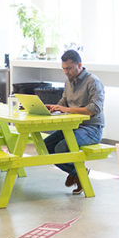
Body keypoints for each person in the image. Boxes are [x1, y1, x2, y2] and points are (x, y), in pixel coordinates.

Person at [44, 49, 105, 195]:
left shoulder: (93, 82)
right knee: (45, 146)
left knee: (62, 148)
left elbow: (94, 109)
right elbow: (64, 103)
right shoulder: (68, 82)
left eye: (69, 68)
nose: (66, 72)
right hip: (72, 126)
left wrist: (66, 109)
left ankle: (78, 174)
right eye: (64, 69)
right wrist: (54, 107)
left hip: (91, 128)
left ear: (79, 65)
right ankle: (78, 172)